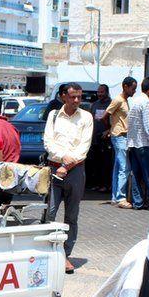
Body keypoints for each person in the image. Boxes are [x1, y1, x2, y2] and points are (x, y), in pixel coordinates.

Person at [44, 83, 92, 274]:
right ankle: (48, 252)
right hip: (55, 169)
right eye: (72, 97)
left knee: (71, 216)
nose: (76, 101)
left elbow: (84, 148)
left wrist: (67, 165)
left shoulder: (86, 117)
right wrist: (62, 159)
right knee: (50, 213)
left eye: (79, 97)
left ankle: (65, 254)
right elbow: (48, 142)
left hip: (75, 171)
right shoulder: (54, 115)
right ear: (63, 96)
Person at [125, 77, 149, 211]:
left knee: (136, 174)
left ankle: (138, 202)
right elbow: (148, 125)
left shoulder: (135, 101)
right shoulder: (146, 103)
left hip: (133, 144)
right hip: (144, 144)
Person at [102, 77, 135, 207]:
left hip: (122, 136)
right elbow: (105, 116)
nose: (134, 91)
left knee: (118, 167)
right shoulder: (118, 100)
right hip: (119, 136)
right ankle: (121, 198)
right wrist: (110, 129)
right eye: (133, 88)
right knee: (124, 167)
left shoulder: (125, 101)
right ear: (125, 87)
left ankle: (115, 197)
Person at [88, 84, 113, 191]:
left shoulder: (111, 104)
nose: (100, 94)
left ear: (107, 92)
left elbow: (115, 121)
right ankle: (97, 184)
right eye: (98, 92)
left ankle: (106, 185)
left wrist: (108, 130)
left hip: (106, 139)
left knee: (106, 163)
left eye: (102, 92)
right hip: (95, 139)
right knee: (96, 163)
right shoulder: (94, 105)